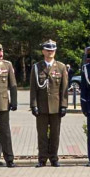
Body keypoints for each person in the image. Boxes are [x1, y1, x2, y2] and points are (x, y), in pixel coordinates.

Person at [29, 39, 69, 167]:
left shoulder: (61, 67)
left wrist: (64, 105)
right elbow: (33, 88)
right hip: (41, 107)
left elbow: (64, 88)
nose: (50, 52)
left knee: (55, 134)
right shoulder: (37, 67)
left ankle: (54, 158)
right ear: (43, 51)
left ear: (55, 51)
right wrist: (33, 105)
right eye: (48, 50)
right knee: (42, 134)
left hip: (56, 106)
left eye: (52, 50)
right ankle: (42, 159)